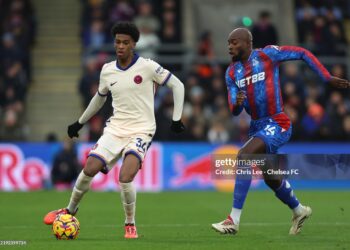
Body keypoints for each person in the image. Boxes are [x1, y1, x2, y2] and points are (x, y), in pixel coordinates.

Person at [43, 22, 185, 239]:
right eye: (118, 42)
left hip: (141, 130)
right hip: (115, 128)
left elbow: (178, 85)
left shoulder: (147, 67)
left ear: (134, 45)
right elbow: (99, 100)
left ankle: (130, 223)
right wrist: (79, 122)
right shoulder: (107, 70)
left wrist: (176, 118)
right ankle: (69, 211)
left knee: (125, 177)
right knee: (89, 167)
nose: (120, 46)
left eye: (125, 43)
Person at [211, 28, 349, 235]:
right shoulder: (231, 72)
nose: (230, 46)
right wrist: (237, 103)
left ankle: (233, 220)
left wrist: (326, 76)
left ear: (248, 42)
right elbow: (234, 109)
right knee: (271, 177)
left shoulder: (268, 54)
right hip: (257, 126)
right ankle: (299, 210)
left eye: (234, 42)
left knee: (243, 156)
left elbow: (302, 53)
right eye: (228, 43)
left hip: (277, 121)